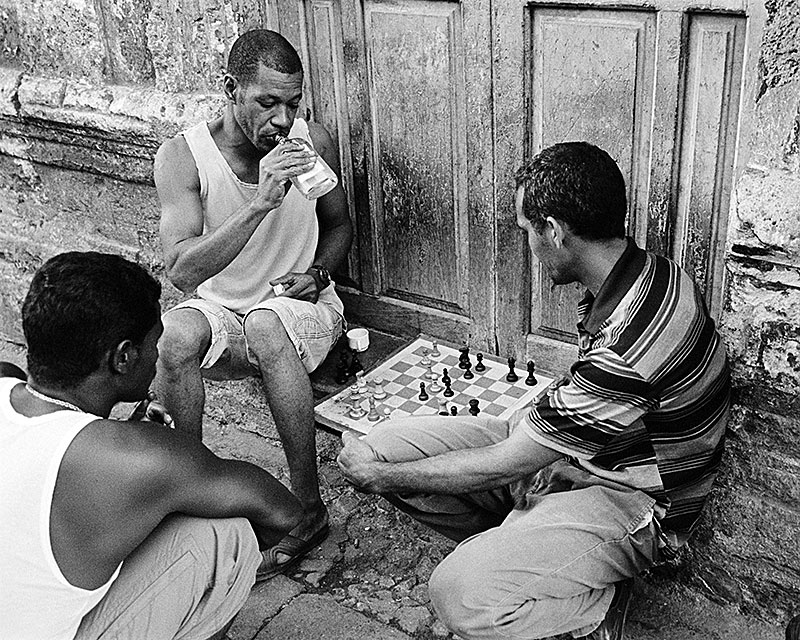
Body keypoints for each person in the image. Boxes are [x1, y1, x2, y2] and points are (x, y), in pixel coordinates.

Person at [337, 142, 731, 640]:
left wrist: (377, 478)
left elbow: (507, 462)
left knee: (458, 594)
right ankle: (526, 553)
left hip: (631, 499)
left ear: (553, 230)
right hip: (582, 451)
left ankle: (590, 604)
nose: (527, 245)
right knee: (385, 448)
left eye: (527, 231)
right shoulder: (652, 270)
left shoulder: (627, 348)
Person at [0, 251, 302, 640]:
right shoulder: (141, 455)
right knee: (226, 533)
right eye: (155, 342)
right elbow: (282, 512)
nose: (158, 354)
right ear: (125, 357)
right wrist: (151, 466)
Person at [153, 29, 352, 575]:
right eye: (267, 103)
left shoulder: (314, 144)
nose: (283, 122)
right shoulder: (183, 157)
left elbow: (339, 226)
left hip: (298, 307)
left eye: (293, 104)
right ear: (231, 90)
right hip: (219, 307)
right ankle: (184, 492)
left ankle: (309, 511)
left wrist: (318, 273)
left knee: (267, 324)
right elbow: (181, 271)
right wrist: (261, 202)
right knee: (174, 336)